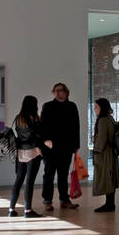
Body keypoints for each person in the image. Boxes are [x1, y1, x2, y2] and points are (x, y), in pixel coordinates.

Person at [8, 95, 52, 218]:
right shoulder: (33, 118)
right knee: (29, 182)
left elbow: (23, 135)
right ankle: (28, 211)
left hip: (20, 153)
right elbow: (33, 135)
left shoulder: (19, 118)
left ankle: (11, 209)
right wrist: (44, 142)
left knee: (18, 180)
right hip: (33, 152)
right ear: (34, 105)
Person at [40, 82, 81, 212]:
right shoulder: (48, 106)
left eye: (60, 90)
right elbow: (42, 126)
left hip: (66, 147)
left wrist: (76, 145)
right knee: (49, 175)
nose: (57, 93)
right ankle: (47, 201)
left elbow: (76, 127)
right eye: (55, 91)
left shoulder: (72, 106)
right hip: (50, 148)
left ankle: (64, 200)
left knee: (63, 175)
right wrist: (45, 140)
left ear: (66, 92)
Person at [91, 97, 119, 213]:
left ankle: (109, 204)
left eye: (96, 106)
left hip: (104, 153)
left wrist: (96, 151)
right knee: (110, 177)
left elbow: (102, 138)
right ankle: (110, 203)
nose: (94, 109)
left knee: (106, 177)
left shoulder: (103, 120)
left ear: (101, 107)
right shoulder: (110, 118)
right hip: (111, 152)